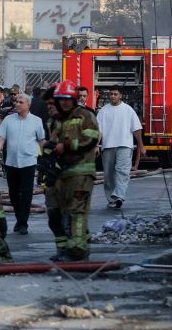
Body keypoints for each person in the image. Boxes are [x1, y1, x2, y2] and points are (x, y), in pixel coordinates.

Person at [43, 80, 100, 261]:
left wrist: (66, 146)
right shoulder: (59, 120)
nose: (64, 102)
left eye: (67, 99)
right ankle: (73, 248)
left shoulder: (85, 115)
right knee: (63, 214)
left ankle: (78, 252)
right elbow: (53, 145)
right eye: (61, 99)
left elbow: (91, 139)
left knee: (77, 212)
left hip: (82, 173)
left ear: (74, 99)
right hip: (63, 174)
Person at [0, 93, 46, 235]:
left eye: (21, 102)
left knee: (26, 193)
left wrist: (46, 159)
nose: (17, 104)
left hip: (29, 162)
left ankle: (22, 223)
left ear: (28, 105)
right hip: (11, 162)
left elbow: (41, 141)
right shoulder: (8, 120)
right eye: (16, 102)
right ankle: (19, 218)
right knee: (14, 193)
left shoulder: (36, 121)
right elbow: (1, 139)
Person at [96, 87, 145, 210]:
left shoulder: (128, 110)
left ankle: (119, 196)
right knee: (109, 175)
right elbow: (99, 131)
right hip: (108, 146)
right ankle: (112, 199)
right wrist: (97, 145)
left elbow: (136, 129)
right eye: (111, 94)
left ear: (120, 96)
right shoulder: (103, 111)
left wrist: (141, 145)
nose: (113, 96)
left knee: (122, 171)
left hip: (124, 145)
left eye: (115, 94)